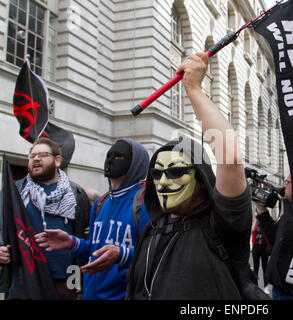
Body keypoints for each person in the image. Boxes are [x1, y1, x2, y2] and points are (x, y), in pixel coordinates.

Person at [125, 52, 252, 300]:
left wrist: (193, 89)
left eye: (175, 172)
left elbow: (231, 158)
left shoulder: (223, 224)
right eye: (157, 173)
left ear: (202, 181)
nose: (162, 182)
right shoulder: (151, 230)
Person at [35, 138, 151, 300]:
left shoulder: (145, 203)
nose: (110, 160)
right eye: (109, 155)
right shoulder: (100, 203)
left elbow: (154, 253)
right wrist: (71, 242)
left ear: (135, 163)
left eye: (118, 156)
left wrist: (122, 255)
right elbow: (94, 250)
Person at [0, 137, 91, 300]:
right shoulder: (15, 192)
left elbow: (86, 237)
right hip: (25, 279)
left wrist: (81, 285)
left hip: (65, 281)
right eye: (32, 155)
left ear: (57, 160)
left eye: (42, 155)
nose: (35, 159)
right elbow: (2, 227)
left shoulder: (77, 194)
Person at [251, 209, 271, 294]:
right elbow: (252, 230)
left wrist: (262, 219)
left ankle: (266, 286)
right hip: (256, 247)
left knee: (265, 268)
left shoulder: (264, 223)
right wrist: (256, 220)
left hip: (264, 247)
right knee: (255, 268)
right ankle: (256, 286)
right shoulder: (254, 222)